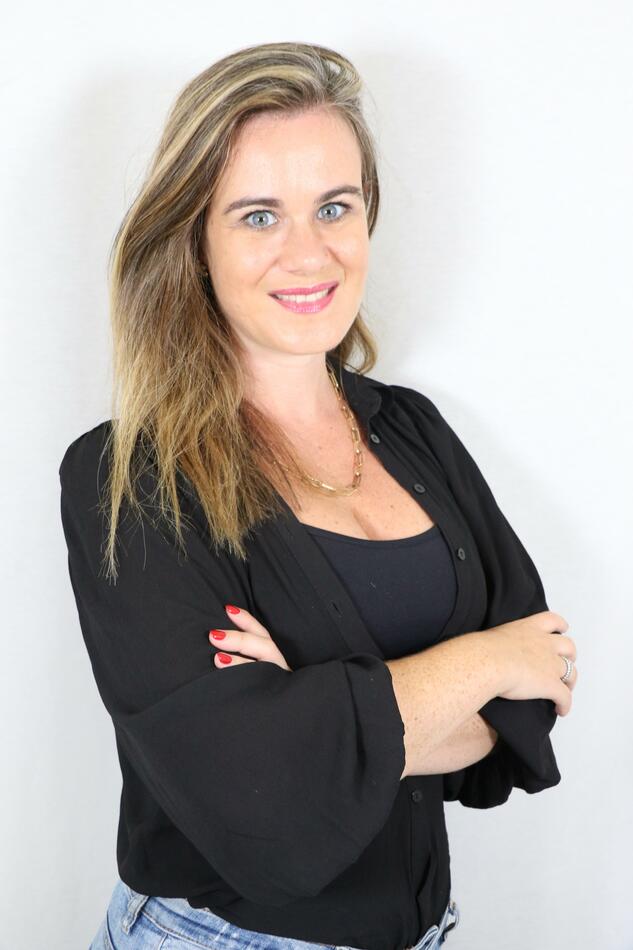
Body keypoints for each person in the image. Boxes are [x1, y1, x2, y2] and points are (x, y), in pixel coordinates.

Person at [58, 41, 577, 950]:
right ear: (193, 241)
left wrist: (316, 711)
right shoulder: (129, 481)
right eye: (258, 216)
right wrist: (483, 661)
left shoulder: (411, 429)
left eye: (334, 207)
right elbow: (253, 798)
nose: (309, 253)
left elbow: (537, 697)